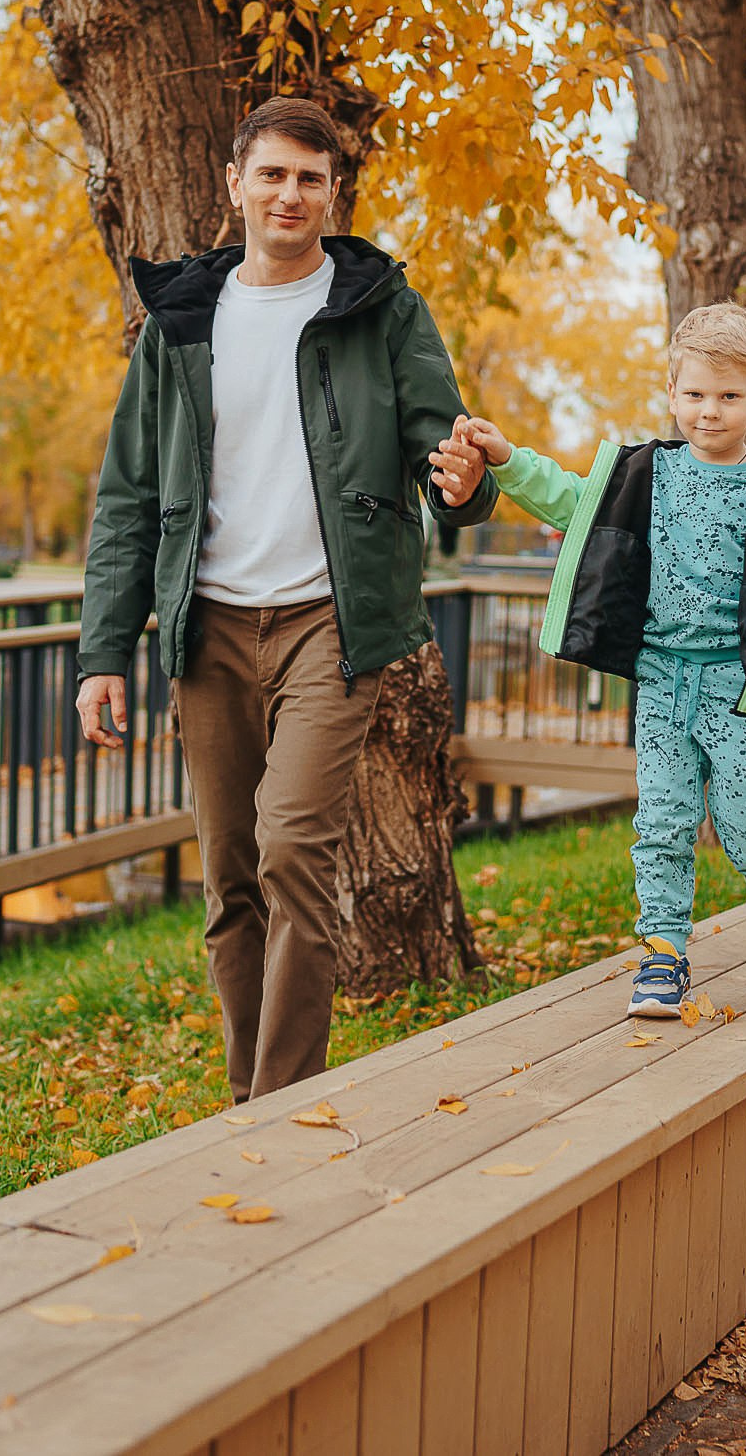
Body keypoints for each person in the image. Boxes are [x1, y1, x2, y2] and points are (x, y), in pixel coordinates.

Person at [72, 97, 497, 1105]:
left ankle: (286, 1098)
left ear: (332, 192)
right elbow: (128, 492)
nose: (290, 194)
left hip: (327, 624)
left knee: (293, 852)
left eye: (310, 178)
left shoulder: (378, 305)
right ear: (236, 184)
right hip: (209, 627)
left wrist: (466, 478)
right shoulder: (181, 320)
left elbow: (446, 448)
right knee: (228, 879)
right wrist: (101, 653)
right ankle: (242, 1100)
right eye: (272, 174)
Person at [428, 305, 746, 1020]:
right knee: (662, 820)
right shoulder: (644, 474)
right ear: (670, 394)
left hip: (740, 684)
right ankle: (662, 952)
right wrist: (508, 460)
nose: (709, 412)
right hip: (663, 678)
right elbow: (570, 500)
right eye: (693, 395)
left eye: (727, 396)